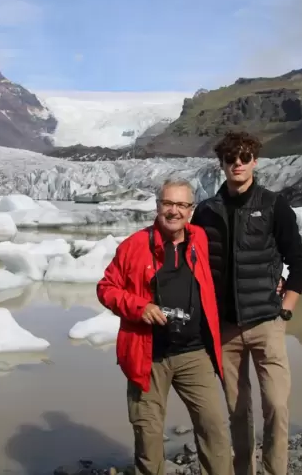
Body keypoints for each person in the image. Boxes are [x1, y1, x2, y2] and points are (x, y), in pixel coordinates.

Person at [190, 131, 302, 475]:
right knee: (237, 410)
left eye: (244, 157)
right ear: (222, 163)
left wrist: (286, 308)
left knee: (276, 404)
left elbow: (298, 263)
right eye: (230, 158)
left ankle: (275, 471)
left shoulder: (274, 205)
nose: (237, 164)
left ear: (255, 161)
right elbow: (193, 263)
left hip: (266, 324)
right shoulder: (207, 211)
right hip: (225, 328)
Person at [96, 177, 232, 475]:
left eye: (181, 205)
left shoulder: (202, 241)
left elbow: (239, 265)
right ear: (158, 206)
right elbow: (106, 288)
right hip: (148, 356)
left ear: (191, 209)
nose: (174, 211)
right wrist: (139, 308)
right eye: (168, 203)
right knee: (148, 435)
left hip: (194, 354)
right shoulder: (134, 246)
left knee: (214, 429)